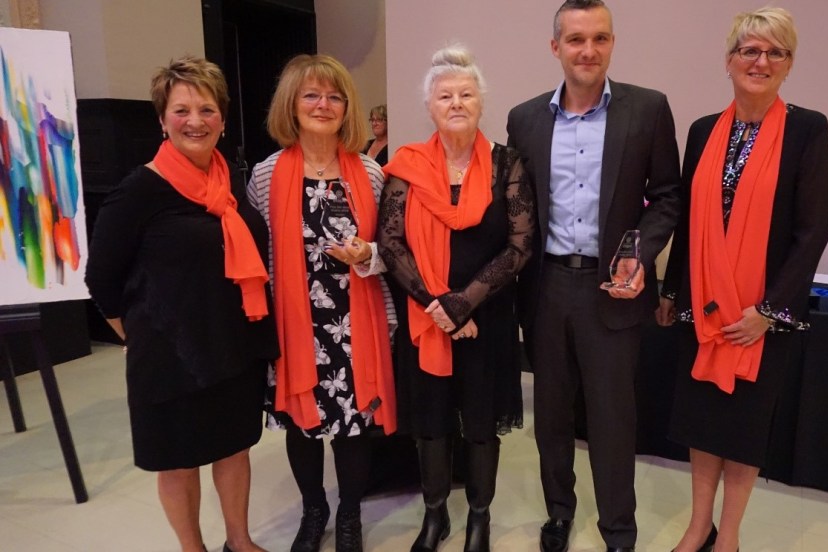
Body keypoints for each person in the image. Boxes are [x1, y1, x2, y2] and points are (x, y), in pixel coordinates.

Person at [655, 7, 828, 552]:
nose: (761, 61)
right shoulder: (702, 131)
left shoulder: (808, 129)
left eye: (775, 52)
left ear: (789, 64)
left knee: (743, 429)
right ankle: (698, 525)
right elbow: (688, 221)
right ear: (729, 60)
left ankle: (728, 534)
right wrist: (671, 290)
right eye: (750, 50)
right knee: (702, 423)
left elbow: (813, 231)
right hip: (704, 307)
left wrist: (769, 311)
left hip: (760, 316)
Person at [506, 1, 681, 551]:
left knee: (612, 419)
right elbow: (516, 208)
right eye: (576, 39)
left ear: (612, 43)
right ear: (555, 46)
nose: (588, 50)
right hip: (546, 288)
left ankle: (618, 529)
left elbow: (668, 197)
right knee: (552, 416)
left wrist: (639, 252)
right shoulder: (524, 118)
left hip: (614, 291)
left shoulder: (647, 109)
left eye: (600, 38)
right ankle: (559, 513)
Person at [85, 56, 278, 552]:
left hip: (234, 345)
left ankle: (239, 541)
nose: (196, 121)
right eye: (182, 110)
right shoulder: (138, 190)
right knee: (177, 462)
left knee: (235, 449)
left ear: (223, 119)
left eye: (207, 110)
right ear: (162, 119)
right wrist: (138, 337)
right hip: (170, 357)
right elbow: (100, 279)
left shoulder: (228, 181)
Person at [378, 45, 534, 552]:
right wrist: (439, 306)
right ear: (430, 106)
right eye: (445, 96)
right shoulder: (406, 165)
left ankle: (480, 519)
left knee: (481, 424)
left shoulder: (506, 163)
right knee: (431, 424)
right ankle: (435, 516)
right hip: (427, 316)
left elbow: (520, 245)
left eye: (466, 94)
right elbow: (390, 243)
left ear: (481, 102)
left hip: (486, 316)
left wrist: (464, 304)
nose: (456, 103)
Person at [246, 54, 397, 552]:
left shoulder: (370, 173)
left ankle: (350, 514)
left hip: (356, 321)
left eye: (334, 97)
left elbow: (392, 249)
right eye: (311, 95)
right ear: (291, 104)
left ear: (346, 107)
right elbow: (256, 254)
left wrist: (367, 254)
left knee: (354, 426)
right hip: (295, 324)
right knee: (302, 425)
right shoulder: (266, 175)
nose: (323, 105)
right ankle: (314, 510)